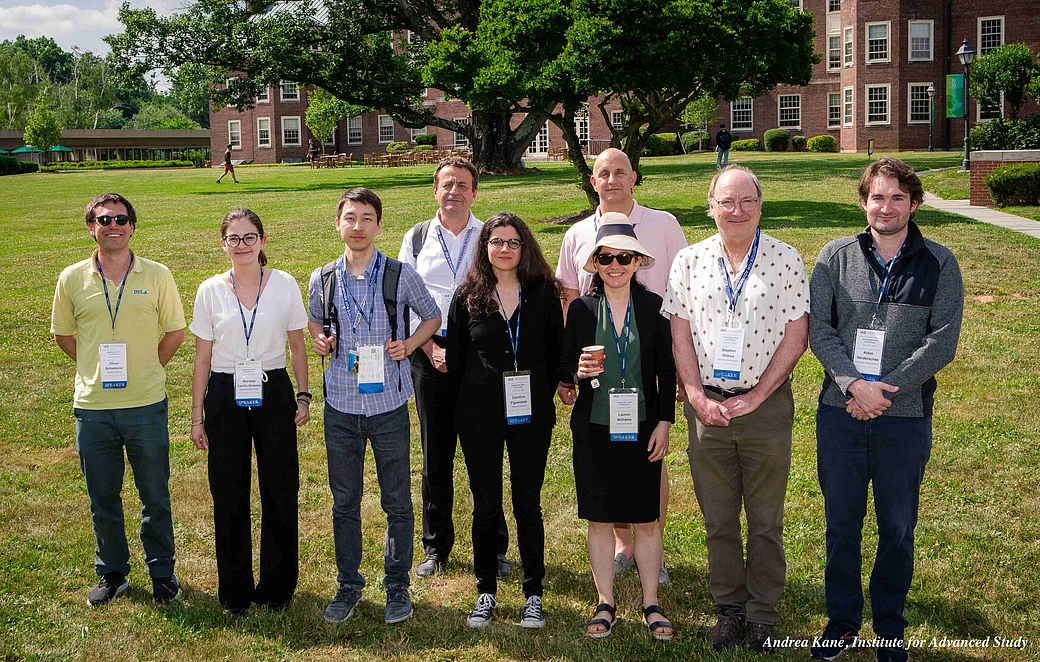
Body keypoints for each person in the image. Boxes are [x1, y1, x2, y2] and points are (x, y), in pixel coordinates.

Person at [808, 157, 963, 662]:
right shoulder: (835, 256)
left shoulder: (939, 262)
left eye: (898, 197)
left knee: (897, 526)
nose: (887, 206)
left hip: (905, 416)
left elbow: (941, 342)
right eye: (878, 196)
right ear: (863, 201)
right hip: (840, 411)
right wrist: (854, 384)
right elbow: (819, 331)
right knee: (841, 523)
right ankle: (842, 621)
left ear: (914, 204)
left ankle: (890, 627)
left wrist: (884, 390)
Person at [661, 165, 809, 653]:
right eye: (727, 202)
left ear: (761, 206)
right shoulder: (688, 261)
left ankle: (763, 613)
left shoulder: (785, 259)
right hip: (707, 408)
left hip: (764, 407)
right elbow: (679, 332)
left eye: (747, 201)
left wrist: (759, 395)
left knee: (765, 519)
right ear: (711, 207)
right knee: (719, 518)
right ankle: (729, 608)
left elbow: (796, 336)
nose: (737, 210)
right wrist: (696, 396)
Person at [308, 187, 441, 625]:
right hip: (341, 407)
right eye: (350, 217)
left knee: (397, 500)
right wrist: (320, 339)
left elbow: (432, 315)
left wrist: (411, 344)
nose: (358, 226)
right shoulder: (323, 277)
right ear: (338, 223)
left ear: (379, 225)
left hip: (387, 405)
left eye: (367, 218)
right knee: (344, 501)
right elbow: (315, 320)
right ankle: (348, 585)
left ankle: (397, 585)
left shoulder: (400, 274)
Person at [555, 147, 687, 585]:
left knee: (650, 462)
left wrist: (682, 380)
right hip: (597, 397)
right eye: (603, 173)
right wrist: (571, 371)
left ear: (634, 177)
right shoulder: (575, 236)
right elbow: (568, 300)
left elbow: (684, 295)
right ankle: (622, 545)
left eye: (620, 172)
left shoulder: (664, 227)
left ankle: (653, 546)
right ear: (593, 181)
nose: (615, 264)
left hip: (646, 381)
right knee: (603, 465)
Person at [50, 193, 186, 606]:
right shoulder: (71, 278)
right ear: (91, 226)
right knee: (103, 497)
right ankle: (113, 572)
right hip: (92, 409)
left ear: (132, 226)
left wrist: (148, 368)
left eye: (121, 219)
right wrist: (94, 368)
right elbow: (64, 337)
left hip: (146, 404)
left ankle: (162, 572)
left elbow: (176, 332)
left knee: (155, 494)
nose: (113, 225)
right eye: (104, 219)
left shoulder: (157, 274)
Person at [189, 209, 310, 616]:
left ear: (262, 240)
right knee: (228, 492)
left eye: (250, 236)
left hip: (272, 388)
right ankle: (234, 591)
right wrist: (196, 415)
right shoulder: (209, 290)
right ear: (223, 244)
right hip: (224, 392)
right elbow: (202, 358)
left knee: (280, 489)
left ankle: (277, 588)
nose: (242, 245)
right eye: (234, 238)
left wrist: (305, 395)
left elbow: (297, 345)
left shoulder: (285, 284)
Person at [445, 212, 563, 629]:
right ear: (485, 247)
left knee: (527, 502)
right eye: (496, 242)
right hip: (479, 418)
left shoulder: (543, 293)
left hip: (531, 416)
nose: (505, 249)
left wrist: (547, 391)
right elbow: (456, 360)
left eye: (513, 242)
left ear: (525, 246)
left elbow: (555, 352)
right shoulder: (467, 296)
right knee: (486, 505)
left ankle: (534, 593)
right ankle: (486, 591)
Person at [562, 213, 676, 641]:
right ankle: (605, 601)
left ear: (636, 261)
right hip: (593, 427)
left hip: (644, 426)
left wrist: (664, 421)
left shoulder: (653, 309)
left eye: (623, 257)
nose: (614, 265)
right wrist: (576, 370)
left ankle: (651, 602)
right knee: (599, 519)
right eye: (605, 257)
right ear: (594, 262)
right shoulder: (581, 309)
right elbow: (563, 366)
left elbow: (666, 372)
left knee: (645, 519)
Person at [399, 156, 511, 580]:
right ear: (435, 190)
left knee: (485, 456)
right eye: (447, 184)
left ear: (475, 191)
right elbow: (404, 299)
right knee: (436, 456)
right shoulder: (415, 238)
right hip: (428, 353)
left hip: (478, 357)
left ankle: (494, 546)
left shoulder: (489, 238)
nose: (454, 192)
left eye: (463, 184)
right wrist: (427, 347)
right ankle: (435, 547)